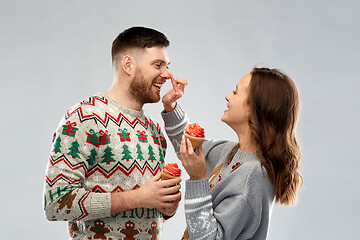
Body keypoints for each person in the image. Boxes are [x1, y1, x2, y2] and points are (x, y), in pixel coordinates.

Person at [43, 26, 182, 239]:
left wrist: (166, 208)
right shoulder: (84, 117)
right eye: (158, 65)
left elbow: (149, 210)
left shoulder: (154, 130)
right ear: (128, 64)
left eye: (167, 66)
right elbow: (55, 202)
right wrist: (137, 198)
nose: (167, 75)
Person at [161, 67, 303, 239]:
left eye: (235, 92)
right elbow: (192, 149)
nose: (227, 96)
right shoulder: (231, 152)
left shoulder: (252, 177)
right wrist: (171, 107)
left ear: (255, 109)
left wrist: (198, 179)